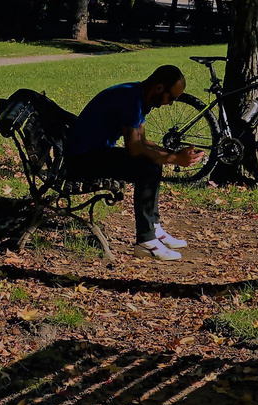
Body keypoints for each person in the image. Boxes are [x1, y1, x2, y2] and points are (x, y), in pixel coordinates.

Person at [64, 64, 204, 261]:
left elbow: (144, 141)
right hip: (82, 161)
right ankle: (146, 241)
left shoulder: (138, 96)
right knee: (147, 167)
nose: (170, 103)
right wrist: (176, 159)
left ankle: (153, 228)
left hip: (92, 154)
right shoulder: (131, 99)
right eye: (171, 97)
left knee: (151, 163)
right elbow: (135, 149)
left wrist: (174, 154)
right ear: (159, 88)